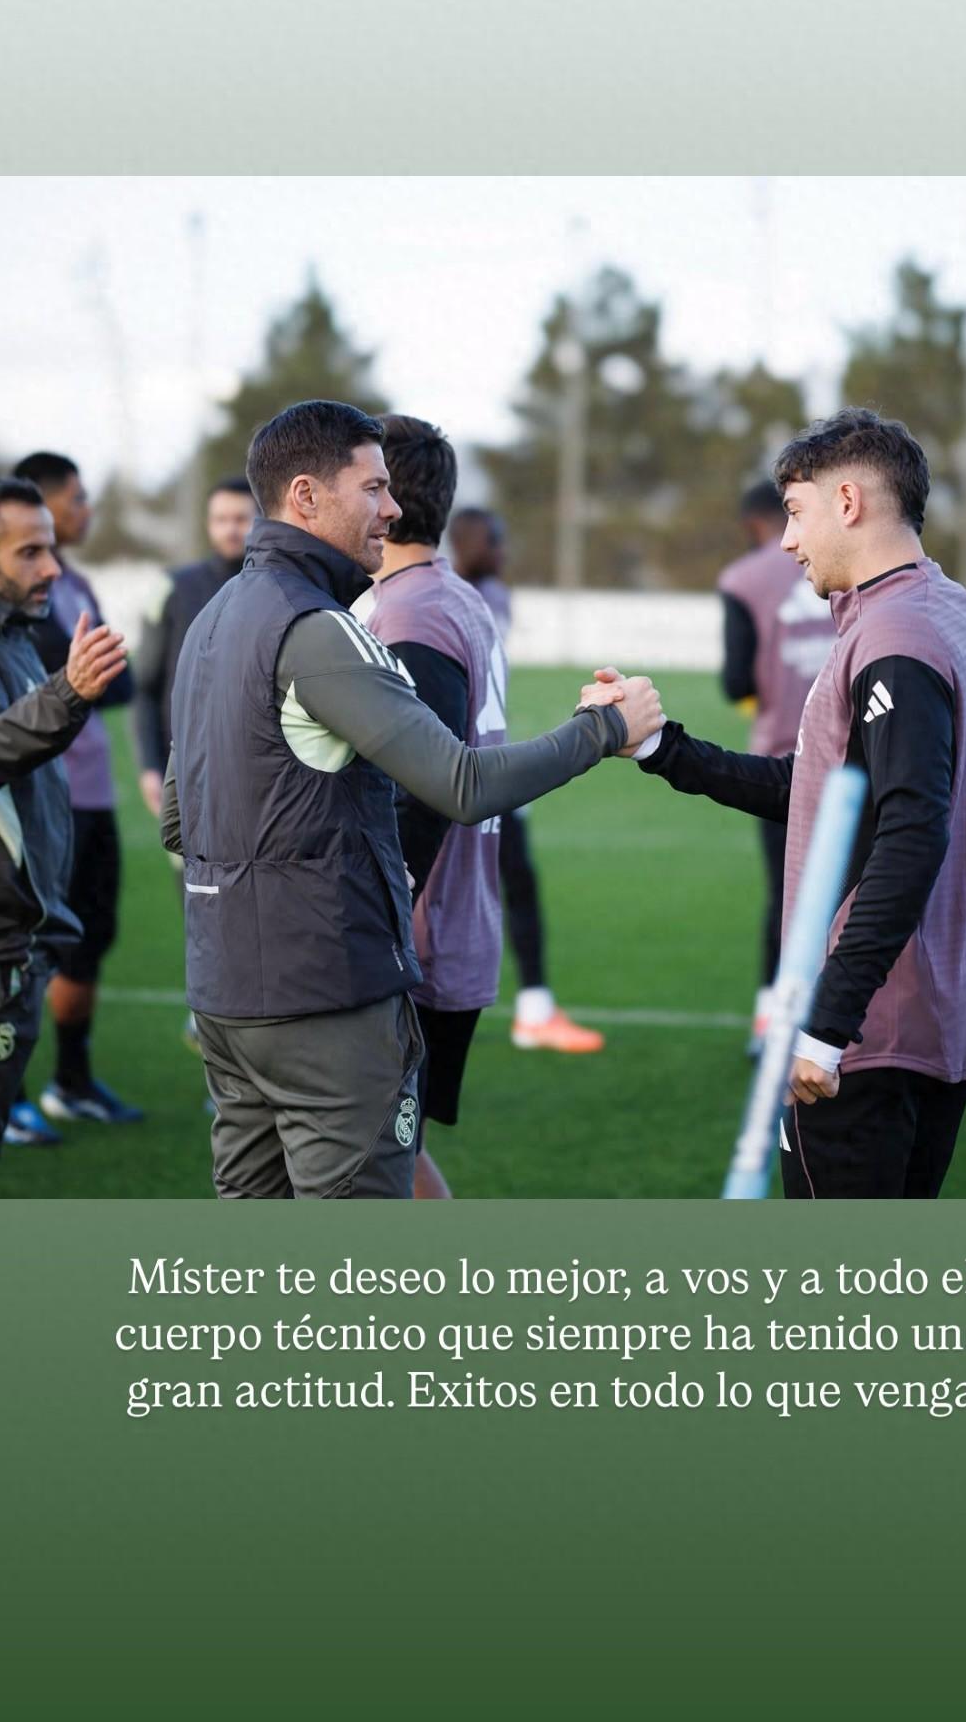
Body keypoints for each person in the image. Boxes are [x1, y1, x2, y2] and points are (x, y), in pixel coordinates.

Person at [162, 400, 661, 1201]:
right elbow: (462, 785)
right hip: (327, 996)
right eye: (373, 488)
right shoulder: (319, 629)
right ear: (305, 496)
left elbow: (178, 820)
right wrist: (602, 729)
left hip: (224, 995)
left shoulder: (213, 622)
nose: (393, 509)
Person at [589, 408, 966, 1200]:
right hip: (937, 1015)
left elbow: (912, 833)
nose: (786, 540)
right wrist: (661, 749)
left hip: (870, 1031)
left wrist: (828, 1022)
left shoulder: (894, 635)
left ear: (847, 502)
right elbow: (818, 785)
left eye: (795, 511)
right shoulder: (947, 609)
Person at [0, 477, 128, 1192]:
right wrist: (69, 693)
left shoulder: (9, 635)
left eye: (51, 549)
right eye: (30, 552)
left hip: (7, 939)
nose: (52, 568)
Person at [365, 418, 506, 1199]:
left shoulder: (411, 614)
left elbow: (426, 786)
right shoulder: (449, 596)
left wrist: (377, 916)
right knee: (389, 1153)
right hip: (452, 923)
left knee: (376, 1158)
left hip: (415, 938)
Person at [12, 451, 140, 1131]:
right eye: (78, 499)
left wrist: (85, 671)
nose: (86, 511)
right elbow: (67, 674)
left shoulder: (78, 582)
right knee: (23, 946)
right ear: (42, 503)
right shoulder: (15, 591)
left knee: (88, 936)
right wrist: (83, 671)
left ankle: (72, 1080)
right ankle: (2, 1093)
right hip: (39, 795)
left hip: (92, 794)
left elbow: (118, 682)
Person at [448, 505, 605, 1055]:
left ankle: (535, 1009)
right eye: (496, 540)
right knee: (474, 887)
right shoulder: (458, 599)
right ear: (475, 543)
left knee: (515, 881)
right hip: (461, 771)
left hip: (487, 766)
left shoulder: (488, 595)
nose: (504, 551)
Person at [717, 479, 835, 1045]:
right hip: (855, 754)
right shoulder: (840, 562)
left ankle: (773, 1019)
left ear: (752, 523)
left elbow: (735, 681)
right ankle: (842, 1023)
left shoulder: (742, 579)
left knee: (787, 895)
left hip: (781, 761)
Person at [134, 476, 258, 819]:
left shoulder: (278, 584)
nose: (231, 529)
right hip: (190, 767)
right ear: (208, 523)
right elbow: (145, 685)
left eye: (241, 519)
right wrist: (150, 766)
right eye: (221, 519)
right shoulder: (172, 587)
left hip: (260, 768)